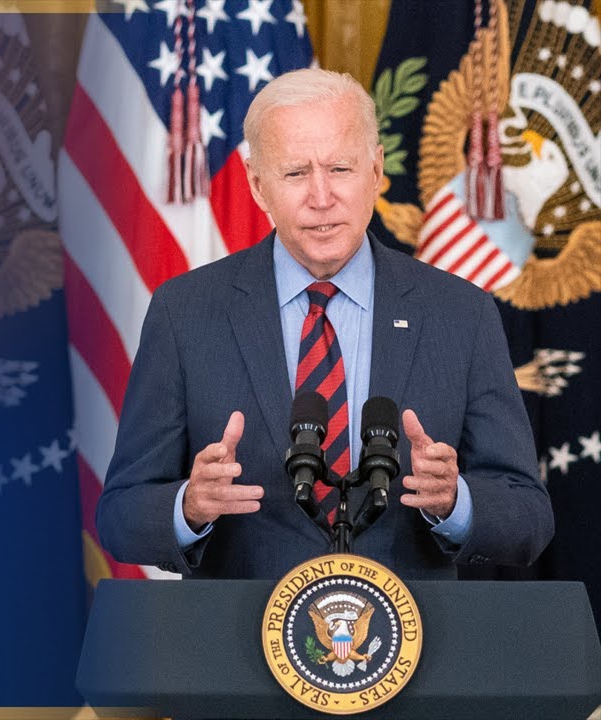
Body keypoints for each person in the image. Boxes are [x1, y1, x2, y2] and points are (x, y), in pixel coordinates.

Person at [96, 68, 553, 580]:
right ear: (257, 183)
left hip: (417, 647)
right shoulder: (186, 313)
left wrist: (455, 501)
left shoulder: (461, 313)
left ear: (376, 170)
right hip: (238, 647)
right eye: (295, 173)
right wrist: (188, 507)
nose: (320, 197)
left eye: (340, 168)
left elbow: (528, 517)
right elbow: (120, 516)